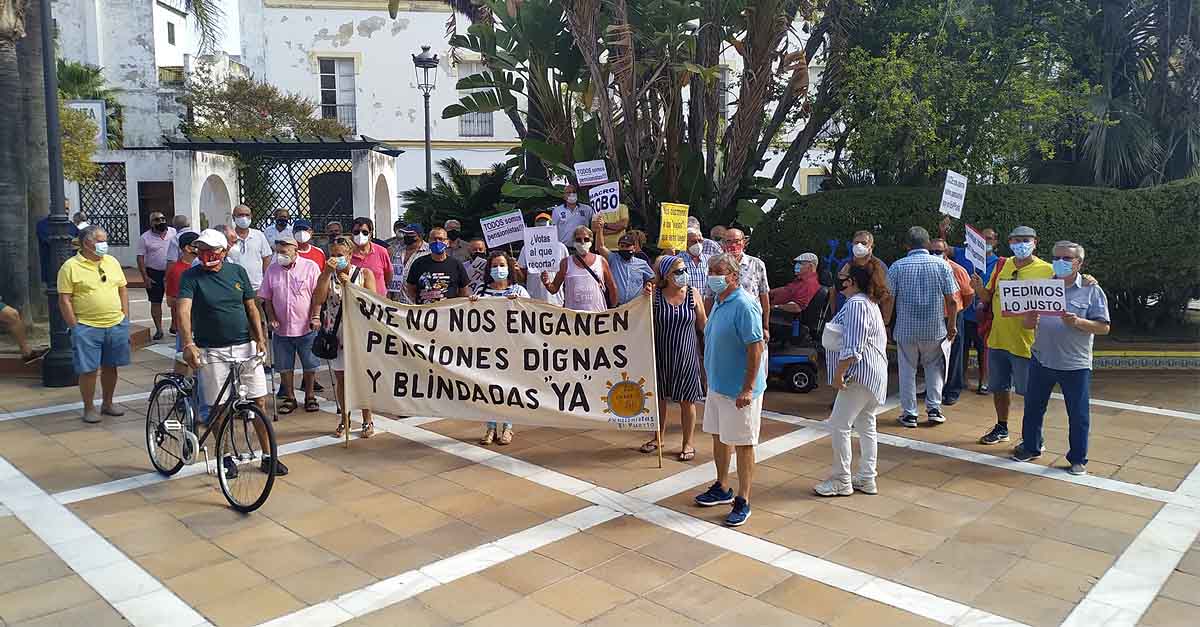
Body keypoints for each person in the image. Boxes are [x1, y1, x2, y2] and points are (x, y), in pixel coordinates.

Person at [177, 229, 288, 476]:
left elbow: (251, 307)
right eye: (201, 250)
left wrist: (260, 339)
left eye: (211, 251)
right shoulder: (191, 277)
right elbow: (183, 310)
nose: (205, 255)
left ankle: (268, 456)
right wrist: (188, 344)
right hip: (211, 350)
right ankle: (224, 456)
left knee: (259, 400)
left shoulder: (237, 272)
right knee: (220, 407)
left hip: (244, 346)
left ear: (223, 252)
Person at [1010, 242, 1110, 476]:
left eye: (1067, 258)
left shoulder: (1091, 289)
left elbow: (1104, 327)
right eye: (1057, 257)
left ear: (1079, 263)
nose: (1061, 262)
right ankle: (1031, 446)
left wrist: (1078, 322)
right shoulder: (1041, 287)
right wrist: (1029, 318)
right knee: (1033, 408)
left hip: (1075, 364)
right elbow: (1027, 324)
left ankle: (1078, 458)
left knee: (1078, 414)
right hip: (1041, 359)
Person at [693, 253, 766, 527]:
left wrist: (747, 388)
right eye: (711, 270)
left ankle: (744, 499)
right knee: (720, 437)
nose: (713, 276)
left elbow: (755, 348)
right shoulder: (719, 302)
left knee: (744, 443)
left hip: (739, 391)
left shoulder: (745, 305)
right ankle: (722, 486)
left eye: (718, 271)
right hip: (718, 386)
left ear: (733, 276)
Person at [973, 226, 1055, 445]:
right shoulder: (1003, 265)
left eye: (1025, 240)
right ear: (1009, 242)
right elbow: (988, 296)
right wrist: (979, 289)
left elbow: (1062, 293)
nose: (1021, 244)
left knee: (1031, 394)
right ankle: (1002, 427)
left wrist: (1086, 279)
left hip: (1027, 344)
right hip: (998, 340)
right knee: (999, 388)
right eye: (1016, 240)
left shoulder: (1047, 270)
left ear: (1035, 242)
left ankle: (1034, 435)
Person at [814, 261, 890, 496]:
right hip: (873, 374)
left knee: (839, 425)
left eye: (843, 275)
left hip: (859, 374)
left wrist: (838, 374)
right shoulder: (867, 302)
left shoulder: (857, 304)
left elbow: (854, 345)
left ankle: (841, 479)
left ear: (853, 280)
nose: (839, 278)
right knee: (866, 424)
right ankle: (867, 477)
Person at [887, 227, 959, 428]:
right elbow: (952, 301)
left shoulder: (897, 267)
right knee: (934, 368)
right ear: (928, 244)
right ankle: (934, 409)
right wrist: (952, 325)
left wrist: (885, 324)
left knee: (907, 370)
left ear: (906, 245)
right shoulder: (942, 266)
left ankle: (909, 414)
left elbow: (888, 299)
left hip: (905, 329)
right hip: (934, 328)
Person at [57, 225, 130, 424]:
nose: (104, 245)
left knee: (111, 366)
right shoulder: (70, 267)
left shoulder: (112, 262)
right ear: (86, 243)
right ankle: (89, 408)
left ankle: (108, 403)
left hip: (115, 324)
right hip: (87, 327)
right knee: (88, 370)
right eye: (99, 241)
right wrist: (75, 326)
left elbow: (122, 289)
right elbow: (64, 299)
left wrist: (125, 316)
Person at [311, 236, 378, 439]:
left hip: (358, 332)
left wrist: (351, 286)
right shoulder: (327, 275)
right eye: (333, 255)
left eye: (340, 255)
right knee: (341, 378)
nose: (336, 258)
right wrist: (326, 273)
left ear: (350, 255)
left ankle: (368, 418)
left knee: (362, 377)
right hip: (336, 333)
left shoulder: (364, 274)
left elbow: (371, 302)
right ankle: (345, 417)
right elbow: (319, 299)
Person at [644, 255, 706, 461]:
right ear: (666, 276)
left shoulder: (693, 294)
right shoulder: (655, 296)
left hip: (687, 356)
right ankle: (657, 437)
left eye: (684, 270)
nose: (683, 275)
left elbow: (703, 325)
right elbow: (639, 319)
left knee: (687, 401)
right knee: (659, 399)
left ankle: (687, 442)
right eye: (678, 272)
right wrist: (645, 294)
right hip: (661, 354)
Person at [470, 251, 530, 445]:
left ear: (509, 267)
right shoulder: (481, 290)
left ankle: (508, 427)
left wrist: (520, 305)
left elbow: (533, 314)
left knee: (508, 389)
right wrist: (471, 304)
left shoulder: (519, 291)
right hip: (487, 348)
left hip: (510, 349)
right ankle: (490, 427)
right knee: (488, 388)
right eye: (495, 266)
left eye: (502, 265)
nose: (499, 269)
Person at [261, 235, 323, 414]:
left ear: (296, 251)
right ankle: (290, 397)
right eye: (278, 252)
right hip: (281, 329)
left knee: (310, 364)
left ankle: (310, 396)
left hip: (306, 326)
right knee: (284, 366)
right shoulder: (272, 270)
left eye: (284, 252)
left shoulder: (310, 267)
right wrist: (271, 317)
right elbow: (267, 298)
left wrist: (316, 316)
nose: (280, 255)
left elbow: (317, 296)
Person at [940, 219, 999, 393]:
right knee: (962, 348)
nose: (985, 242)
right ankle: (961, 380)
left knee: (983, 349)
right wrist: (943, 231)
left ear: (995, 242)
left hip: (985, 314)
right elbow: (945, 249)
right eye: (982, 238)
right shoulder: (964, 254)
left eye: (989, 239)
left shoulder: (999, 262)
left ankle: (984, 381)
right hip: (964, 313)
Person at [705, 228, 770, 342]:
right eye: (728, 241)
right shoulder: (715, 265)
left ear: (744, 242)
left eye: (737, 241)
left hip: (751, 321)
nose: (733, 245)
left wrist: (765, 326)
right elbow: (709, 298)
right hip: (724, 323)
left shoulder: (756, 264)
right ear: (723, 244)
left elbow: (764, 297)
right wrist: (708, 325)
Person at [931, 238, 974, 405]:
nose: (935, 254)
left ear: (946, 252)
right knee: (933, 355)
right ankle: (934, 388)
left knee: (954, 353)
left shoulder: (957, 270)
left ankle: (953, 390)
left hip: (953, 316)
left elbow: (969, 294)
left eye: (938, 251)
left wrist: (959, 309)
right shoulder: (926, 268)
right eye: (932, 251)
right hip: (933, 316)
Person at [542, 226, 617, 312]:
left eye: (586, 239)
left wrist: (613, 310)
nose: (582, 242)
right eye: (578, 239)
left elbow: (612, 287)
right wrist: (547, 283)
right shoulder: (565, 263)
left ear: (591, 241)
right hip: (574, 319)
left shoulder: (601, 261)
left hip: (597, 317)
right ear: (574, 242)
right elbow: (554, 289)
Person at [832, 230, 894, 322]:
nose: (859, 246)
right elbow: (835, 289)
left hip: (868, 317)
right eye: (856, 242)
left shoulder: (879, 267)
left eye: (863, 243)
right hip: (843, 314)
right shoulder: (844, 265)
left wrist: (886, 321)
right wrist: (834, 314)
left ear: (871, 247)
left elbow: (887, 296)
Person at [136, 211, 176, 340]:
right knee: (155, 302)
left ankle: (175, 326)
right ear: (151, 223)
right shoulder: (145, 238)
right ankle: (159, 329)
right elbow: (140, 258)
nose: (161, 222)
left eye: (163, 219)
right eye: (157, 220)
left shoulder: (173, 232)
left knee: (175, 300)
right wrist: (145, 277)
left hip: (172, 271)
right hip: (154, 273)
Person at [593, 222, 654, 306]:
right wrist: (600, 229)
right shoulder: (613, 259)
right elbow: (600, 247)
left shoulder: (642, 264)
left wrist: (648, 285)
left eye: (627, 246)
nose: (624, 248)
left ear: (634, 247)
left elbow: (652, 278)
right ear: (618, 247)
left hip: (635, 306)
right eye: (622, 246)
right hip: (617, 307)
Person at [405, 227, 471, 304]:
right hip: (424, 312)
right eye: (434, 239)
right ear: (429, 241)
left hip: (448, 312)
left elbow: (464, 292)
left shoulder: (456, 264)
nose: (437, 242)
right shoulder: (418, 263)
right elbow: (410, 289)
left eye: (441, 239)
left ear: (447, 242)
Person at [516, 212, 568, 306]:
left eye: (545, 224)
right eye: (540, 224)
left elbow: (567, 274)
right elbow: (521, 278)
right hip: (533, 300)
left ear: (552, 226)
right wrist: (516, 269)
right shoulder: (527, 248)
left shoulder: (561, 247)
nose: (542, 227)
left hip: (556, 300)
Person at [227, 205, 273, 291]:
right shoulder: (228, 236)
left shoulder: (258, 235)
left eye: (247, 215)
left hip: (257, 287)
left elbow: (266, 257)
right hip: (234, 287)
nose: (244, 217)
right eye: (240, 215)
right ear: (233, 217)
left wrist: (266, 280)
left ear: (251, 216)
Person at [348, 217, 393, 297]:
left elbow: (388, 277)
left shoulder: (381, 251)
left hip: (378, 303)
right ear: (351, 233)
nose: (360, 235)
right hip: (354, 302)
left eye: (364, 232)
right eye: (356, 232)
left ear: (370, 233)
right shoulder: (346, 254)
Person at [389, 223, 428, 302]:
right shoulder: (396, 249)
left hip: (417, 302)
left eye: (410, 234)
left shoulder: (428, 251)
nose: (407, 236)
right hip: (396, 301)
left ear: (420, 236)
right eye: (405, 233)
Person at [37, 213, 80, 286]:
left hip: (69, 264)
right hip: (51, 264)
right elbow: (49, 241)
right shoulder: (42, 224)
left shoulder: (69, 224)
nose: (66, 211)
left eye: (67, 209)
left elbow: (78, 237)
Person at [681, 228, 711, 294]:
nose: (698, 244)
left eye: (700, 241)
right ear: (685, 243)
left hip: (706, 302)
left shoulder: (710, 260)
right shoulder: (678, 261)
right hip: (687, 302)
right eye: (693, 241)